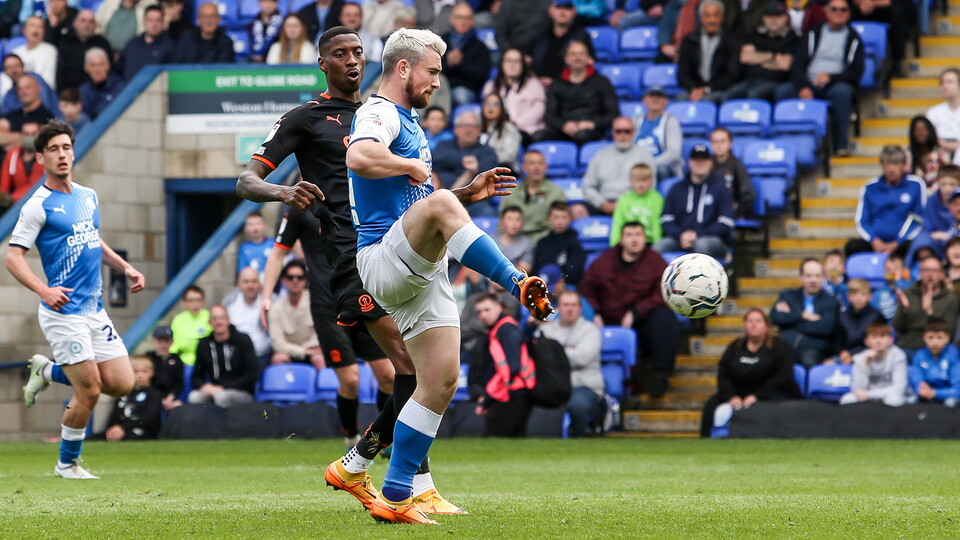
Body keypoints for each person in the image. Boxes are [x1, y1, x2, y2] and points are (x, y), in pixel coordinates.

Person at [235, 27, 481, 518]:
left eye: (358, 53)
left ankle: (379, 472)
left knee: (413, 374)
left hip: (399, 254)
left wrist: (463, 196)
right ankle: (378, 472)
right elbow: (245, 179)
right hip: (352, 262)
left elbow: (412, 192)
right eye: (340, 54)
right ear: (322, 64)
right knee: (415, 372)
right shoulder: (305, 119)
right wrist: (284, 192)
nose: (352, 60)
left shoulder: (387, 114)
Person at [338, 27, 554, 524]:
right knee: (437, 200)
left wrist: (466, 196)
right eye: (432, 71)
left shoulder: (409, 121)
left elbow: (418, 201)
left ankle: (394, 498)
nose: (437, 82)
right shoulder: (377, 111)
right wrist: (411, 169)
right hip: (381, 259)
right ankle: (516, 281)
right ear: (404, 68)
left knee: (438, 381)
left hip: (418, 262)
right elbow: (359, 156)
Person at [11, 120, 146, 479]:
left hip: (94, 309)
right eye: (53, 150)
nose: (62, 155)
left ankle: (46, 369)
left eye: (66, 148)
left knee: (121, 383)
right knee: (90, 391)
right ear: (40, 157)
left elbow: (92, 240)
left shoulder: (87, 196)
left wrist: (124, 267)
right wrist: (43, 289)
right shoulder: (37, 205)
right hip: (62, 311)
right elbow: (12, 258)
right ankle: (66, 464)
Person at [264, 206, 395, 444]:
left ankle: (383, 438)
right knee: (351, 380)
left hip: (363, 298)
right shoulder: (300, 207)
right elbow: (277, 253)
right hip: (327, 306)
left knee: (388, 376)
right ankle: (352, 439)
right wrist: (266, 298)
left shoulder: (356, 193)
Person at [580, 221, 679, 397]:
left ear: (645, 238)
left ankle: (660, 374)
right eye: (629, 235)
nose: (634, 239)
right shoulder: (603, 262)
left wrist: (636, 312)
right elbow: (586, 289)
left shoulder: (656, 261)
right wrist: (595, 312)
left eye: (638, 235)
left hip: (642, 321)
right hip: (606, 319)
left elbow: (662, 293)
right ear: (621, 239)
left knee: (665, 318)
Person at [774, 0, 864, 155]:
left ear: (849, 14)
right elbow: (798, 64)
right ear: (826, 12)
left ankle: (840, 145)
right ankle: (781, 142)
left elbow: (855, 72)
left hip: (834, 84)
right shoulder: (813, 32)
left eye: (843, 9)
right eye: (834, 9)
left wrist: (831, 77)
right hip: (809, 82)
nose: (839, 12)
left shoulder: (854, 38)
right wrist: (803, 86)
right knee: (783, 91)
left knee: (842, 92)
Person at [699, 308, 802, 437]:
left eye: (758, 321)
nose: (753, 324)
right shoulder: (735, 347)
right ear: (744, 326)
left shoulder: (780, 348)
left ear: (766, 326)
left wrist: (757, 396)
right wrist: (731, 396)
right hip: (739, 394)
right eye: (750, 321)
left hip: (771, 394)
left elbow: (783, 377)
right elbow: (724, 374)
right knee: (711, 405)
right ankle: (706, 439)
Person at [538, 289, 604, 438]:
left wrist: (553, 354)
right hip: (552, 387)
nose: (570, 308)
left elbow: (582, 358)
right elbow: (539, 358)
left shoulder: (591, 331)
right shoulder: (545, 330)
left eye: (574, 305)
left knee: (577, 405)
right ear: (558, 308)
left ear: (580, 309)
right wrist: (564, 352)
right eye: (566, 304)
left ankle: (577, 440)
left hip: (583, 386)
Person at [469, 293, 535, 437]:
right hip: (509, 394)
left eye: (487, 310)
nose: (483, 315)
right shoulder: (499, 329)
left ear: (499, 307)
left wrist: (487, 400)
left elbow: (512, 368)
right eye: (479, 312)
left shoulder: (506, 328)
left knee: (495, 442)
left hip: (511, 396)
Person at [653, 145, 734, 260]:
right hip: (680, 238)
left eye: (704, 160)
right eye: (696, 160)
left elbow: (726, 222)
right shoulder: (677, 188)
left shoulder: (721, 188)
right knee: (658, 248)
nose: (700, 163)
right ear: (689, 162)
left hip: (711, 239)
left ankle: (703, 278)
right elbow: (666, 219)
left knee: (702, 245)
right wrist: (681, 235)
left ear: (711, 162)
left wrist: (697, 234)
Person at [846, 145, 926, 258]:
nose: (891, 168)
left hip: (903, 242)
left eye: (895, 164)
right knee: (852, 246)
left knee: (920, 245)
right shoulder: (870, 187)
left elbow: (920, 219)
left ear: (904, 165)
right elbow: (862, 221)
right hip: (875, 243)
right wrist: (874, 240)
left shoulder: (916, 184)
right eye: (887, 164)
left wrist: (898, 242)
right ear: (881, 165)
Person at [536, 40, 619, 145]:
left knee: (582, 136)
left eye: (581, 53)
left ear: (588, 58)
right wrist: (563, 125)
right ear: (566, 59)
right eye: (573, 54)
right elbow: (550, 115)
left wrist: (592, 124)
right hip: (563, 130)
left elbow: (613, 114)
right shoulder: (556, 84)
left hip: (591, 131)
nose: (577, 57)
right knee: (538, 137)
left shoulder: (602, 82)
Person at [577, 116, 655, 219]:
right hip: (603, 203)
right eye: (618, 131)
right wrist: (601, 203)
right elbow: (587, 186)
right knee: (577, 210)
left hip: (632, 204)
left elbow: (650, 187)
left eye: (627, 131)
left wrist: (624, 203)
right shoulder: (600, 155)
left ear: (633, 133)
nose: (623, 135)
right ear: (613, 133)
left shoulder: (645, 155)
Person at [770, 257, 841, 367]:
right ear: (801, 277)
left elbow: (826, 328)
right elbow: (775, 317)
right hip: (786, 347)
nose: (813, 280)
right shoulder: (788, 296)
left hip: (814, 351)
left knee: (808, 359)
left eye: (817, 276)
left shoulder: (831, 302)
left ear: (823, 277)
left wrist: (792, 318)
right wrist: (804, 316)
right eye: (808, 275)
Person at [725, 1, 798, 102]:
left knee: (754, 95)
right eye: (769, 16)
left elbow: (785, 64)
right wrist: (773, 55)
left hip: (775, 82)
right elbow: (745, 57)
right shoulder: (756, 34)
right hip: (749, 81)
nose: (773, 20)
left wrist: (758, 57)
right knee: (729, 96)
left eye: (777, 16)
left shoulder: (792, 38)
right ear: (763, 18)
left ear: (786, 17)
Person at [187, 305, 258, 407]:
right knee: (194, 397)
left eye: (222, 318)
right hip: (214, 391)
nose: (218, 322)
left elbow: (251, 376)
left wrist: (222, 388)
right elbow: (196, 376)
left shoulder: (243, 340)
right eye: (214, 319)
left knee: (222, 397)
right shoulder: (204, 344)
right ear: (209, 322)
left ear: (228, 320)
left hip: (241, 392)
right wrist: (204, 386)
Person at [431, 111, 499, 212]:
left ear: (479, 130)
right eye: (464, 126)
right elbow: (436, 159)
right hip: (440, 197)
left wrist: (474, 169)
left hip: (473, 202)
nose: (468, 130)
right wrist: (463, 161)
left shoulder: (487, 151)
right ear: (456, 130)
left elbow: (490, 172)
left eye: (473, 126)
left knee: (486, 211)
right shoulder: (444, 146)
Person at [496, 149, 568, 242]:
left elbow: (559, 225)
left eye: (540, 163)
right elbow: (501, 225)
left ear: (546, 167)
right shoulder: (510, 192)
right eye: (532, 163)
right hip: (515, 243)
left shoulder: (557, 193)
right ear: (524, 167)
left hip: (544, 242)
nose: (536, 168)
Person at [266, 260, 325, 370]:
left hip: (315, 352)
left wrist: (308, 351)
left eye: (300, 277)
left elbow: (320, 336)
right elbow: (277, 343)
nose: (295, 281)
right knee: (278, 359)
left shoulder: (317, 303)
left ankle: (326, 387)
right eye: (290, 277)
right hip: (290, 354)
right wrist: (303, 351)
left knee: (319, 359)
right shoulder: (275, 308)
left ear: (306, 280)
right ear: (283, 280)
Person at [892, 255, 959, 351]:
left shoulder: (950, 299)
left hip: (935, 349)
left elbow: (948, 331)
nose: (930, 274)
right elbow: (898, 328)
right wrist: (904, 310)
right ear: (920, 273)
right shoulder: (908, 294)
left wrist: (929, 312)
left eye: (934, 270)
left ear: (941, 274)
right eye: (926, 270)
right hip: (907, 346)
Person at [676, 0, 738, 103]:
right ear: (701, 18)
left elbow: (731, 75)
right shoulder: (689, 40)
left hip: (718, 90)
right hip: (694, 89)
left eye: (716, 15)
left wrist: (706, 89)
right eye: (707, 15)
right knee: (680, 99)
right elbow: (683, 73)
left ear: (722, 18)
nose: (712, 20)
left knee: (708, 100)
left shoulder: (731, 41)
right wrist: (693, 89)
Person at [482, 48, 546, 141]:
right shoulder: (491, 85)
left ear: (523, 65)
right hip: (496, 130)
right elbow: (486, 110)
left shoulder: (534, 84)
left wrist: (514, 124)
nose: (512, 65)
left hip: (526, 130)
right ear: (501, 64)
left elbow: (538, 111)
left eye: (517, 61)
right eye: (508, 61)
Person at [839, 321, 908, 406]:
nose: (878, 341)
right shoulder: (859, 358)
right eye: (874, 337)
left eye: (882, 336)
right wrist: (865, 364)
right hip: (867, 395)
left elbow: (899, 388)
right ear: (866, 341)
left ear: (891, 340)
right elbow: (857, 389)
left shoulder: (898, 356)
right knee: (846, 399)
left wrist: (869, 395)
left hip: (888, 394)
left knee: (894, 399)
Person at [529, 0, 594, 85]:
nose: (562, 11)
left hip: (569, 88)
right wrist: (536, 80)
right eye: (558, 7)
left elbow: (590, 63)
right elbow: (529, 61)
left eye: (567, 7)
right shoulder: (539, 35)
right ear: (551, 10)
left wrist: (556, 84)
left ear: (574, 11)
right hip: (538, 86)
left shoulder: (582, 36)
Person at [102, 356, 163, 441]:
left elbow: (149, 419)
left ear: (151, 372)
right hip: (117, 430)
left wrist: (122, 428)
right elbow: (114, 416)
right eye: (135, 371)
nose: (140, 375)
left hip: (142, 432)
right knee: (91, 440)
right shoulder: (123, 392)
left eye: (144, 371)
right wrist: (112, 429)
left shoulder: (154, 394)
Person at [440, 3, 490, 107]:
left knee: (461, 96)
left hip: (465, 89)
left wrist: (460, 64)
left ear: (473, 21)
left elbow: (481, 77)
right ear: (452, 19)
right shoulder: (441, 41)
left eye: (467, 18)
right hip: (440, 86)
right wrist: (448, 63)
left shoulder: (480, 47)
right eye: (459, 17)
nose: (463, 21)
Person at [909, 166, 960, 264]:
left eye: (952, 184)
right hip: (935, 242)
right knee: (922, 240)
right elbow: (928, 228)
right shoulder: (931, 201)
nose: (947, 188)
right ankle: (917, 271)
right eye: (943, 184)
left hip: (955, 241)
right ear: (938, 183)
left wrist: (948, 236)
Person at [57, 9, 114, 92]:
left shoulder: (103, 43)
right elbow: (61, 73)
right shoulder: (66, 43)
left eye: (91, 22)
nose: (87, 25)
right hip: (73, 95)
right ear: (75, 24)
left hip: (100, 93)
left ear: (95, 25)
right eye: (83, 21)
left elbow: (111, 70)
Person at [634, 87, 684, 180]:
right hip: (638, 164)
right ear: (644, 100)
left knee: (660, 170)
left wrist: (650, 164)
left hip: (661, 165)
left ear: (666, 101)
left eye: (659, 96)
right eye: (651, 96)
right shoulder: (636, 121)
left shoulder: (671, 121)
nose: (655, 99)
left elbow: (674, 153)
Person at [532, 201, 586, 287]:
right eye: (556, 217)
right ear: (549, 218)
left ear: (570, 219)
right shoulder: (542, 243)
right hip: (543, 285)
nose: (560, 222)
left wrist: (562, 283)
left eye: (564, 217)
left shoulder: (575, 242)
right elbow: (535, 269)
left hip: (567, 285)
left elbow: (576, 271)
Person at [909, 316, 960, 407]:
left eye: (939, 337)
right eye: (930, 337)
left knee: (950, 403)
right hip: (926, 394)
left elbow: (957, 389)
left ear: (948, 338)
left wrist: (935, 393)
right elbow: (917, 380)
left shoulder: (953, 356)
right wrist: (920, 388)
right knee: (912, 400)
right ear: (924, 338)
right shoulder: (919, 355)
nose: (935, 342)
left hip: (947, 395)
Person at [225, 266, 272, 364]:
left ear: (260, 284)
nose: (250, 285)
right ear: (238, 284)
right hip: (234, 357)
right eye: (246, 282)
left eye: (254, 281)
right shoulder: (229, 303)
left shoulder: (270, 301)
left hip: (263, 356)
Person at [833, 278, 885, 365]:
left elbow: (878, 343)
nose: (859, 298)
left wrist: (854, 357)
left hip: (869, 356)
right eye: (854, 294)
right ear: (848, 297)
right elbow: (837, 342)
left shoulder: (877, 316)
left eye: (863, 294)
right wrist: (842, 352)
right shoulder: (842, 316)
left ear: (870, 296)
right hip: (845, 356)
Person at [610, 163, 663, 246]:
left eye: (644, 180)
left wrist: (657, 245)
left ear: (651, 180)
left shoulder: (657, 199)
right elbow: (618, 223)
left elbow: (657, 224)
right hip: (628, 244)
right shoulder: (624, 199)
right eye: (637, 180)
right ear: (631, 181)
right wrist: (615, 245)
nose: (640, 184)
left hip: (649, 242)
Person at [117, 4, 174, 80]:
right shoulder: (132, 44)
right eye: (150, 20)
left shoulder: (169, 47)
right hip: (129, 89)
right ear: (144, 22)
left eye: (158, 20)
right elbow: (118, 71)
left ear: (163, 23)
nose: (154, 25)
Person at [709, 128, 756, 218]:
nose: (718, 145)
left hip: (732, 212)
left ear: (730, 144)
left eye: (722, 141)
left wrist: (737, 208)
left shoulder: (737, 165)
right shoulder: (706, 165)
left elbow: (748, 195)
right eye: (715, 142)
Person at [0, 121, 43, 204]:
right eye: (26, 134)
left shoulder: (47, 156)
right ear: (21, 135)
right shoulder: (12, 155)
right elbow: (4, 187)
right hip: (15, 203)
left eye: (33, 134)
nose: (30, 137)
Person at [169, 284, 211, 366]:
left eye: (198, 300)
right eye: (191, 300)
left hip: (205, 361)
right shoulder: (178, 319)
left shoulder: (210, 317)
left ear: (203, 302)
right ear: (183, 302)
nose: (195, 304)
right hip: (183, 361)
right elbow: (174, 344)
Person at [144, 324, 184, 410]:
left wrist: (171, 397)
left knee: (178, 406)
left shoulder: (176, 360)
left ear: (172, 342)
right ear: (153, 341)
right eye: (160, 341)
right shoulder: (148, 358)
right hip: (151, 395)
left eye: (166, 341)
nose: (163, 344)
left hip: (169, 397)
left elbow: (179, 384)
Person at [479, 92, 521, 171]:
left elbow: (509, 155)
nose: (491, 107)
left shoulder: (509, 129)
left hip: (502, 169)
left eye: (496, 104)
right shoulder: (476, 127)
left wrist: (485, 161)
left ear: (502, 109)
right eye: (487, 103)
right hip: (479, 169)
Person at [78, 48, 124, 121]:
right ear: (86, 68)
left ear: (108, 66)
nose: (97, 69)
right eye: (93, 65)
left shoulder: (120, 87)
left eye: (100, 64)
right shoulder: (83, 91)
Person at [13, 16, 58, 90]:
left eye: (40, 27)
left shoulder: (50, 51)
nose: (36, 30)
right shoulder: (16, 52)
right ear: (24, 30)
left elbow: (48, 82)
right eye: (32, 26)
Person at [927, 68, 960, 162]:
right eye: (942, 82)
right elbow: (930, 139)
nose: (944, 86)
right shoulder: (933, 112)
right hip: (939, 156)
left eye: (949, 82)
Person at [494, 206, 534, 273]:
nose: (514, 223)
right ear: (501, 222)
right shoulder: (491, 241)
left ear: (522, 223)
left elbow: (524, 270)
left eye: (517, 219)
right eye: (510, 219)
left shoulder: (527, 245)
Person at [237, 210, 271, 275]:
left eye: (258, 223)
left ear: (265, 225)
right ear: (246, 228)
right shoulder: (244, 247)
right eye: (251, 224)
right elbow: (242, 271)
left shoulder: (273, 244)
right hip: (252, 282)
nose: (255, 227)